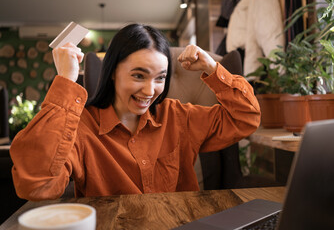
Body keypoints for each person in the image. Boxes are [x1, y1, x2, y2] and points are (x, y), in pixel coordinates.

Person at [10, 24, 260, 201]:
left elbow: (246, 118)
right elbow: (37, 186)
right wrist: (66, 80)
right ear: (112, 73)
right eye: (138, 75)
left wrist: (213, 68)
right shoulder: (82, 127)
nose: (150, 90)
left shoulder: (177, 116)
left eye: (160, 77)